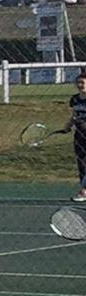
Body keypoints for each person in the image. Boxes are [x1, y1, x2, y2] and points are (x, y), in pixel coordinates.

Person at [60, 72, 86, 203]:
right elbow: (75, 115)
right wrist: (68, 126)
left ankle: (84, 191)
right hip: (79, 135)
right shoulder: (75, 99)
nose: (80, 85)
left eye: (83, 83)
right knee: (81, 163)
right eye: (78, 82)